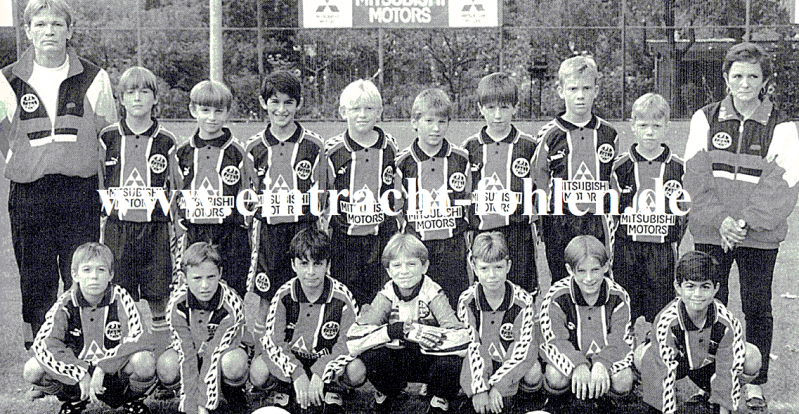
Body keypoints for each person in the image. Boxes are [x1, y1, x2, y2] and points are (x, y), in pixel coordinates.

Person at [683, 42, 799, 410]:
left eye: (752, 76)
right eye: (737, 76)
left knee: (757, 307)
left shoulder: (782, 126)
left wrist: (743, 223)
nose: (744, 83)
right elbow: (694, 177)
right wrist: (721, 221)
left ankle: (755, 382)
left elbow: (783, 185)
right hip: (711, 232)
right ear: (725, 78)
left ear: (765, 81)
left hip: (758, 236)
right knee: (707, 304)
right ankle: (708, 379)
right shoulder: (704, 118)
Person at [0, 0, 117, 349]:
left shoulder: (94, 77)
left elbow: (108, 135)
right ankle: (41, 352)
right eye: (40, 24)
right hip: (29, 192)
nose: (48, 31)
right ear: (27, 31)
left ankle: (82, 346)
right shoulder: (7, 79)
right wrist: (23, 160)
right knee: (36, 276)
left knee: (80, 271)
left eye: (56, 24)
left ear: (70, 30)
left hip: (79, 190)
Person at [23, 242, 156, 414]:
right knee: (32, 369)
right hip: (77, 376)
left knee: (144, 361)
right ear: (75, 275)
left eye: (101, 270)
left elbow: (139, 337)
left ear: (110, 274)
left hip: (113, 374)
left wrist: (103, 367)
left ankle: (132, 400)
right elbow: (43, 344)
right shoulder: (65, 303)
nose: (94, 276)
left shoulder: (120, 297)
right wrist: (79, 372)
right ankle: (73, 400)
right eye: (86, 270)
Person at [244, 71, 328, 341]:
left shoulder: (314, 145)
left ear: (298, 104)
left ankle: (303, 346)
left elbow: (322, 195)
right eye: (275, 102)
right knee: (266, 294)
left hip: (303, 228)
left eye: (288, 102)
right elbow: (248, 195)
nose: (281, 109)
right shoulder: (253, 147)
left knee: (306, 289)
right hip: (268, 232)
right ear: (263, 103)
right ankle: (261, 349)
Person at [99, 66, 177, 349]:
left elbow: (174, 187)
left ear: (155, 98)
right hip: (118, 229)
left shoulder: (167, 141)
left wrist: (175, 226)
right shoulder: (107, 137)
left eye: (144, 91)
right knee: (120, 295)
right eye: (130, 92)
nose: (137, 98)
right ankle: (125, 357)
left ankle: (162, 356)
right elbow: (99, 180)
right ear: (121, 99)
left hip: (155, 230)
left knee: (159, 295)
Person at [347, 233, 469, 414]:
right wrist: (391, 331)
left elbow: (462, 338)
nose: (404, 271)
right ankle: (390, 392)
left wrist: (426, 335)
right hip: (400, 357)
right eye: (397, 265)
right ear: (388, 271)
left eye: (411, 264)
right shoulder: (386, 294)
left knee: (451, 362)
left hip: (428, 356)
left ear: (424, 266)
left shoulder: (433, 292)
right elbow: (354, 339)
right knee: (372, 356)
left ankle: (439, 396)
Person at [249, 228, 365, 414]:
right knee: (258, 371)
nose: (311, 272)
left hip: (326, 360)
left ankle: (334, 390)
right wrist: (297, 373)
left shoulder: (342, 297)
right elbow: (274, 342)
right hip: (294, 361)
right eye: (304, 263)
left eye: (317, 264)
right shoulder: (283, 295)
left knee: (357, 370)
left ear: (327, 265)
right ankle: (285, 390)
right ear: (293, 265)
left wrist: (320, 371)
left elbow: (350, 342)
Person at [636, 251, 762, 414]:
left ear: (715, 288)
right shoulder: (666, 321)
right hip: (679, 364)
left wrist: (724, 409)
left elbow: (728, 371)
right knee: (643, 356)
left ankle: (710, 395)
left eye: (705, 287)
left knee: (752, 356)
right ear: (678, 287)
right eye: (690, 286)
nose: (697, 294)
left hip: (708, 366)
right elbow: (663, 370)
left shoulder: (727, 323)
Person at [533, 55, 617, 283]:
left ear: (596, 90)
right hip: (559, 221)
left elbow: (612, 177)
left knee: (598, 278)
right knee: (563, 278)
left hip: (597, 219)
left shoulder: (609, 134)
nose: (580, 95)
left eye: (586, 88)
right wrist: (543, 219)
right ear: (560, 91)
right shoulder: (549, 134)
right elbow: (539, 178)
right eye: (573, 89)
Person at [610, 93, 686, 326]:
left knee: (661, 314)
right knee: (624, 313)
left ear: (667, 126)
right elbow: (611, 211)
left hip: (662, 253)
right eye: (643, 125)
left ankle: (656, 348)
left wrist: (670, 237)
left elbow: (684, 215)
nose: (650, 132)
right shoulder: (619, 167)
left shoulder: (679, 168)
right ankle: (626, 347)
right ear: (632, 125)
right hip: (626, 251)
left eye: (656, 126)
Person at [174, 80, 253, 298]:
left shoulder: (238, 152)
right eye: (205, 110)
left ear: (227, 112)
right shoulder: (182, 152)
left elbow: (248, 193)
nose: (212, 117)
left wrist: (242, 223)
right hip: (195, 232)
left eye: (218, 111)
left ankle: (235, 319)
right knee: (196, 291)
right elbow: (176, 192)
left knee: (233, 291)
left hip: (231, 234)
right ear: (193, 110)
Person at [462, 72, 539, 294]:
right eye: (491, 108)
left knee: (522, 292)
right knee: (485, 291)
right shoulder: (469, 148)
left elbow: (539, 189)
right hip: (482, 234)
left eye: (504, 108)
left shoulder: (528, 146)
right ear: (480, 108)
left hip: (518, 232)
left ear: (515, 107)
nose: (497, 115)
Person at [324, 79, 399, 306]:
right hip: (345, 240)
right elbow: (324, 195)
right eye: (356, 108)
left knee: (382, 298)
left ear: (379, 112)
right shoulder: (332, 151)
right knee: (346, 298)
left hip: (381, 237)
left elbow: (396, 189)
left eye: (369, 108)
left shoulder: (390, 146)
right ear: (343, 112)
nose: (363, 114)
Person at [396, 88, 472, 308]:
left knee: (455, 303)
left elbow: (468, 200)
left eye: (442, 122)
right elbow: (397, 208)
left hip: (453, 247)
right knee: (418, 305)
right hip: (418, 247)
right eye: (429, 121)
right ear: (415, 122)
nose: (436, 128)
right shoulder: (403, 162)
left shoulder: (461, 159)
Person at [538, 235, 634, 409]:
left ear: (606, 267)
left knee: (623, 379)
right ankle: (561, 402)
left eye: (595, 270)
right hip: (572, 360)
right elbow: (554, 341)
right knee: (555, 376)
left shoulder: (619, 296)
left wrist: (602, 363)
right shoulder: (556, 296)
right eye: (581, 271)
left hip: (602, 360)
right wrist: (577, 364)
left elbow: (621, 341)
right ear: (570, 270)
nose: (589, 278)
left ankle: (606, 401)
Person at [156, 241, 249, 414]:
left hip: (221, 355)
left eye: (211, 277)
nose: (205, 286)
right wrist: (192, 406)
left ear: (220, 273)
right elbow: (186, 354)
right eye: (197, 278)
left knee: (234, 363)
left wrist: (203, 405)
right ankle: (180, 397)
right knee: (166, 366)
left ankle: (234, 397)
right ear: (185, 278)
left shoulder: (232, 303)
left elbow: (214, 353)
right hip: (191, 353)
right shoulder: (176, 303)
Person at [458, 232, 543, 414]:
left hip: (509, 366)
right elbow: (472, 345)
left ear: (508, 266)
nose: (492, 275)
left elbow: (524, 347)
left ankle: (522, 403)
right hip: (481, 366)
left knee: (534, 370)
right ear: (474, 266)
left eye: (498, 267)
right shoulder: (466, 301)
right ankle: (470, 399)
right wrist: (479, 388)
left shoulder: (523, 300)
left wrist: (499, 386)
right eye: (484, 268)